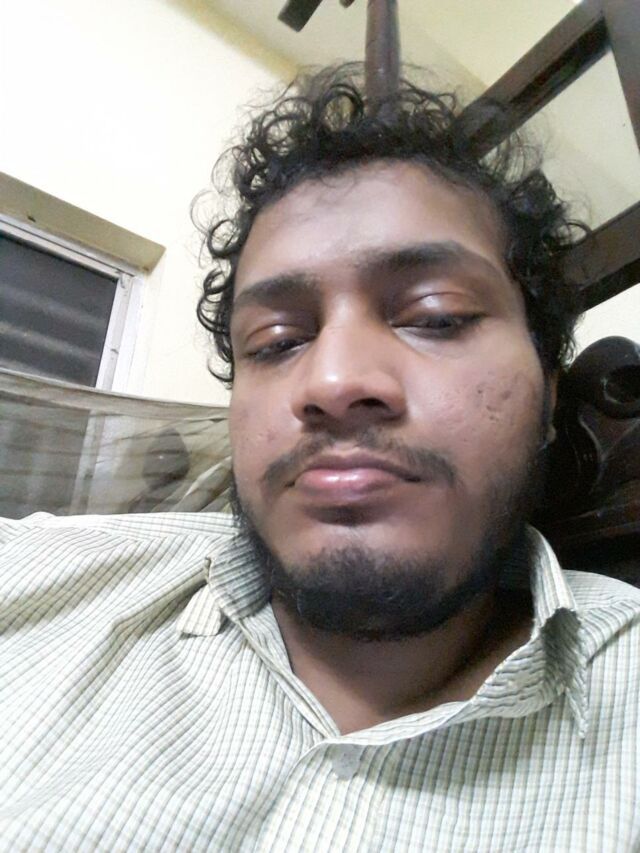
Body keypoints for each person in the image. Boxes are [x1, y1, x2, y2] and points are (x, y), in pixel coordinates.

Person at [1, 66, 638, 852]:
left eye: (436, 315)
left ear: (548, 390)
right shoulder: (40, 581)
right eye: (276, 342)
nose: (332, 383)